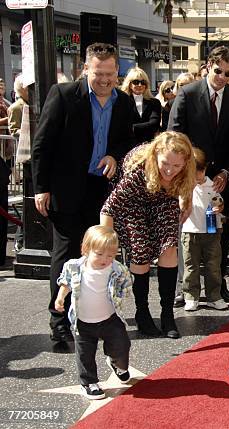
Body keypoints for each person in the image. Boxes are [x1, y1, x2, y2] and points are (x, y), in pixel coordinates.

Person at [32, 42, 136, 344]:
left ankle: (94, 316)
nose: (104, 79)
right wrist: (42, 188)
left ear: (117, 71)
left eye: (110, 73)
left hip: (101, 190)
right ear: (85, 69)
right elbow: (43, 145)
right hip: (65, 190)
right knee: (65, 255)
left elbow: (126, 141)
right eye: (98, 73)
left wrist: (114, 156)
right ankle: (59, 321)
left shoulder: (124, 102)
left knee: (97, 254)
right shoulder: (63, 96)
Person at [168, 46, 229, 305]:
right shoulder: (187, 95)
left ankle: (217, 286)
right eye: (218, 71)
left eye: (228, 73)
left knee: (217, 235)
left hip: (219, 183)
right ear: (207, 66)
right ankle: (184, 288)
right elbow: (175, 137)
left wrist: (227, 172)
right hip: (188, 178)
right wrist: (189, 173)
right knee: (186, 234)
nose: (222, 77)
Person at [100, 131, 195, 339]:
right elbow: (108, 209)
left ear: (186, 163)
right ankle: (142, 313)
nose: (169, 170)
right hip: (133, 203)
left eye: (177, 166)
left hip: (163, 199)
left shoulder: (186, 171)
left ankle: (167, 314)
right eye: (165, 164)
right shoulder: (138, 173)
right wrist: (104, 246)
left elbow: (186, 189)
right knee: (140, 252)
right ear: (156, 156)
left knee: (169, 246)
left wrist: (186, 201)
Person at [54, 225, 132, 400]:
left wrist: (121, 293)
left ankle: (117, 363)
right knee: (85, 354)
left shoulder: (116, 269)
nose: (105, 259)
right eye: (99, 254)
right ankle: (88, 382)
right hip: (83, 321)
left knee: (122, 345)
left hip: (110, 318)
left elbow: (127, 282)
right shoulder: (75, 266)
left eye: (111, 255)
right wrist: (60, 299)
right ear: (86, 249)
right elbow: (65, 282)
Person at [181, 147, 228, 311]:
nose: (196, 177)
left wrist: (219, 207)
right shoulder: (184, 185)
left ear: (205, 169)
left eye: (199, 172)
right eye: (192, 173)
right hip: (190, 231)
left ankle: (214, 296)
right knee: (190, 266)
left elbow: (219, 202)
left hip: (212, 231)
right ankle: (190, 296)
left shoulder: (212, 185)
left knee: (213, 265)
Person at [121, 67, 161, 144]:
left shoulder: (154, 102)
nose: (140, 85)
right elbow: (121, 126)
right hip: (127, 146)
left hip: (148, 146)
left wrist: (132, 128)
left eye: (143, 82)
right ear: (129, 84)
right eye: (136, 82)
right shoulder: (122, 101)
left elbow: (154, 124)